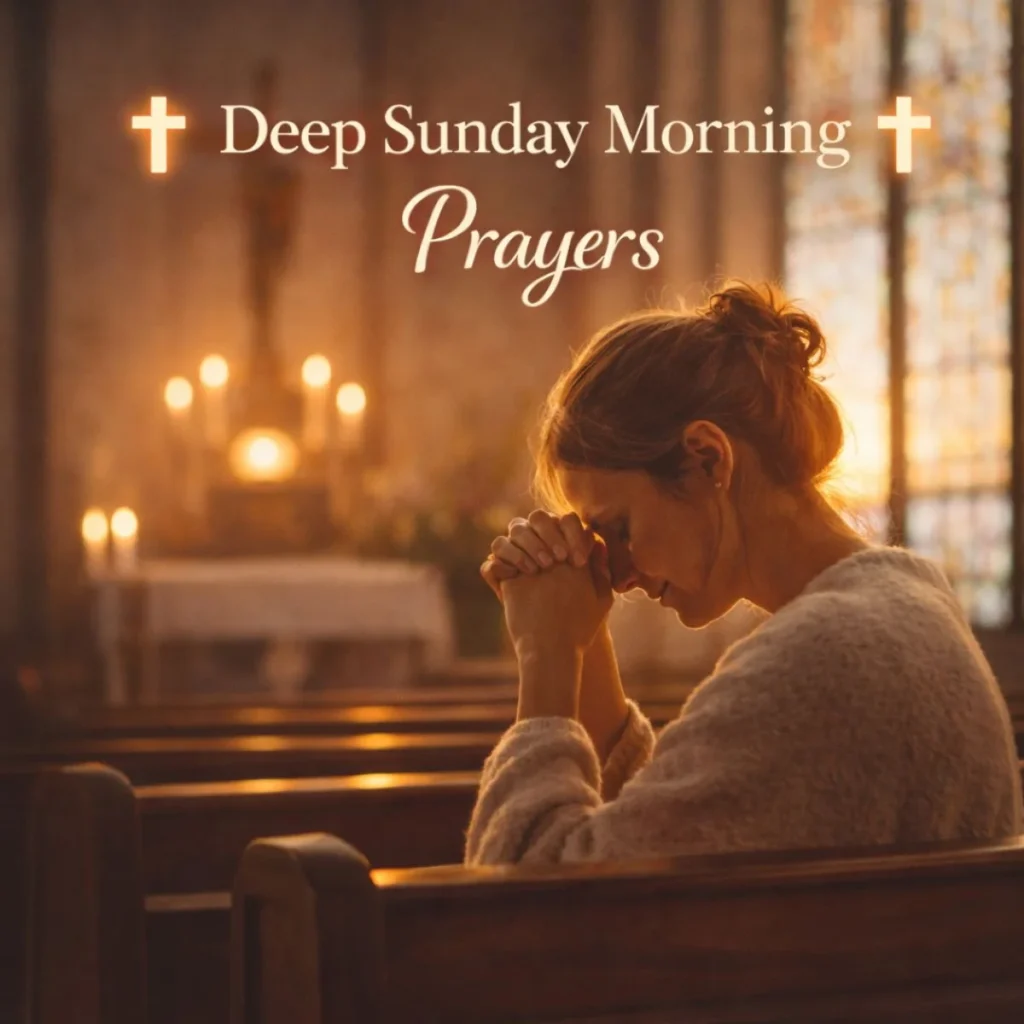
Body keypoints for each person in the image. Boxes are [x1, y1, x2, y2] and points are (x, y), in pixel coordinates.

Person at [466, 281, 1022, 866]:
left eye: (620, 529)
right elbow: (657, 826)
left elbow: (529, 909)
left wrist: (545, 653)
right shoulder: (894, 607)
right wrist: (584, 639)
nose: (618, 574)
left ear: (707, 458)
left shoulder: (826, 654)